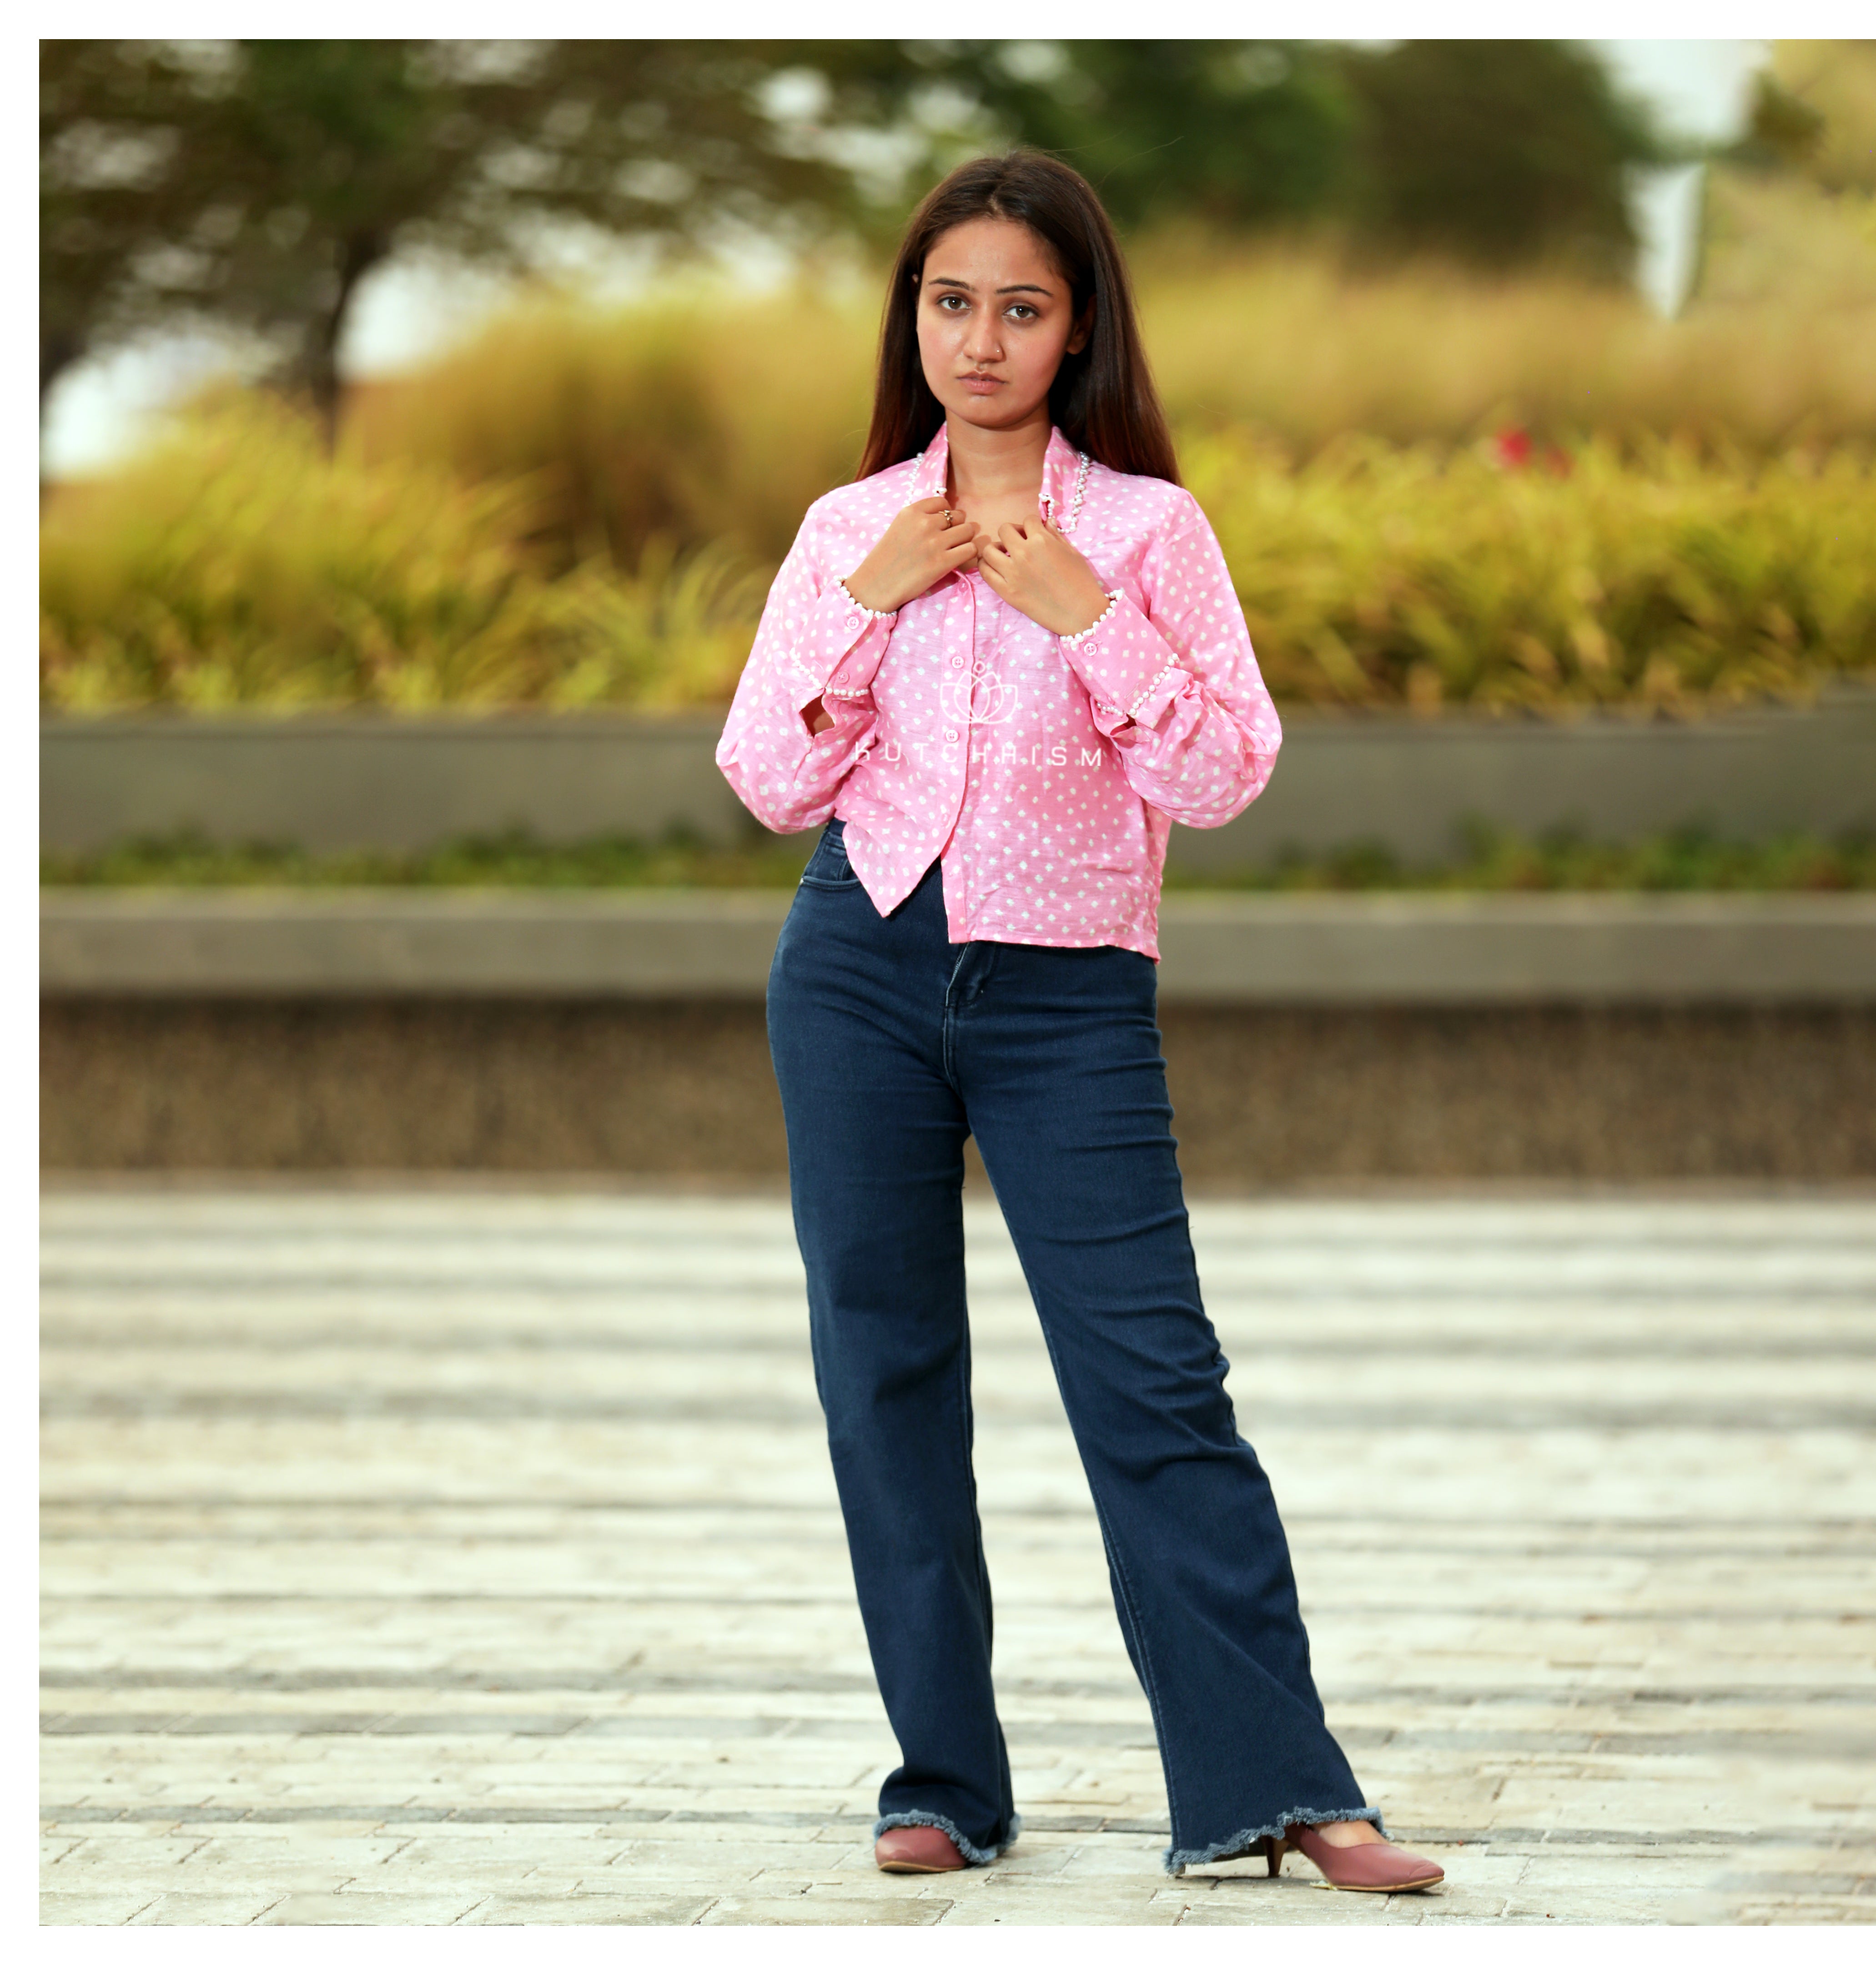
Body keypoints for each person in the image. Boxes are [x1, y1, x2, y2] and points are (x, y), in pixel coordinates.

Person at [714, 150, 1443, 1896]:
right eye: (950, 301)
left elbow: (1224, 770)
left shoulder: (1147, 533)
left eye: (1020, 308)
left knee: (1155, 1383)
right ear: (915, 318)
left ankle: (1279, 1788)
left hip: (1069, 996)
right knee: (885, 1378)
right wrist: (874, 603)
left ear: (1075, 331)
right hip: (858, 968)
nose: (980, 338)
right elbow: (764, 778)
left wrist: (1085, 617)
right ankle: (943, 1782)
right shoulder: (844, 532)